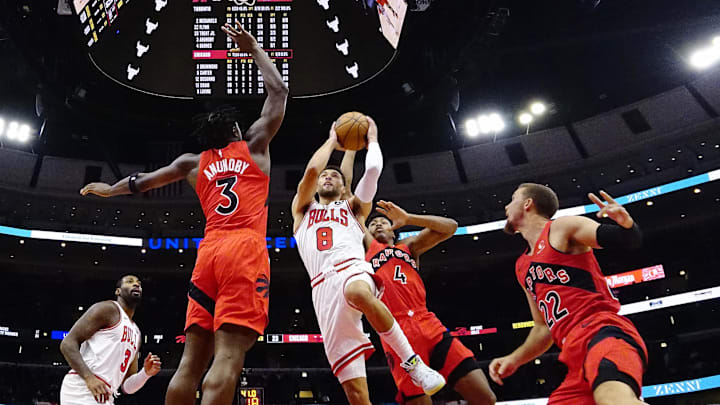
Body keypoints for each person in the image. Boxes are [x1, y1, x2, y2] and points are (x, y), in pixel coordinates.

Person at [79, 21, 288, 405]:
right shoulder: (256, 145)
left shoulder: (193, 163)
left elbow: (142, 181)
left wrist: (110, 189)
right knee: (228, 357)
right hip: (244, 250)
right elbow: (279, 90)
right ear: (238, 130)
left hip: (208, 254)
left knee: (190, 364)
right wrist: (255, 48)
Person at [291, 120, 445, 405]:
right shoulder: (302, 209)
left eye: (335, 177)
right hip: (322, 290)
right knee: (356, 394)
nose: (328, 178)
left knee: (358, 292)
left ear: (343, 186)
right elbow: (311, 172)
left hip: (353, 269)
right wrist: (332, 141)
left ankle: (414, 365)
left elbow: (372, 171)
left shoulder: (353, 208)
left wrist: (372, 137)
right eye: (326, 176)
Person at [489, 184, 648, 405]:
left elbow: (627, 240)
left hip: (602, 332)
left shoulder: (562, 227)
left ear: (528, 203)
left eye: (512, 198)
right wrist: (514, 359)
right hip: (573, 354)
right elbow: (543, 327)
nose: (506, 206)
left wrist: (626, 224)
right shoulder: (521, 266)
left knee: (613, 399)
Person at [364, 201, 496, 405]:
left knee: (485, 398)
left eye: (383, 221)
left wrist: (409, 219)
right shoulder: (365, 253)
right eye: (373, 224)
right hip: (395, 329)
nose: (378, 224)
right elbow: (353, 215)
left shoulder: (409, 247)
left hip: (427, 322)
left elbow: (450, 227)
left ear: (394, 232)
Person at [60, 275, 161, 404]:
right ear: (118, 291)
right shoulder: (108, 309)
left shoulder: (136, 333)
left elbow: (127, 387)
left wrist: (146, 373)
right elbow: (67, 343)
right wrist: (89, 378)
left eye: (139, 283)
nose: (136, 285)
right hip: (82, 388)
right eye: (130, 282)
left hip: (106, 395)